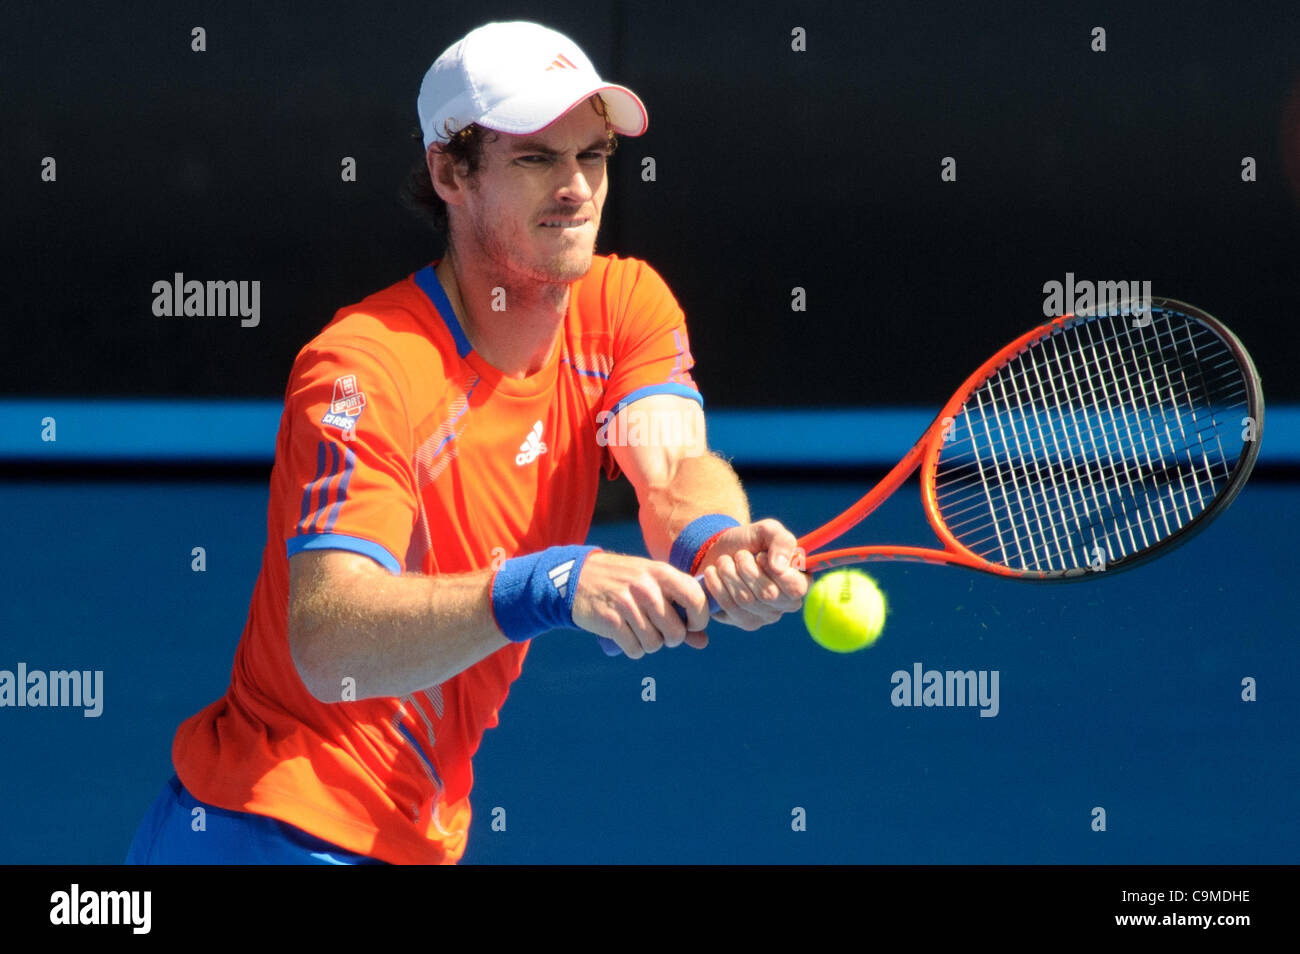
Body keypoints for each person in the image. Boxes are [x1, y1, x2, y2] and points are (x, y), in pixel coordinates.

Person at [126, 20, 807, 865]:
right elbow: (329, 637)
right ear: (450, 171)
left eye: (591, 156)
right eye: (535, 159)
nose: (576, 188)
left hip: (412, 833)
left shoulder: (624, 303)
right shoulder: (365, 367)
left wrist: (715, 541)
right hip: (266, 828)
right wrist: (543, 586)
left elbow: (669, 466)